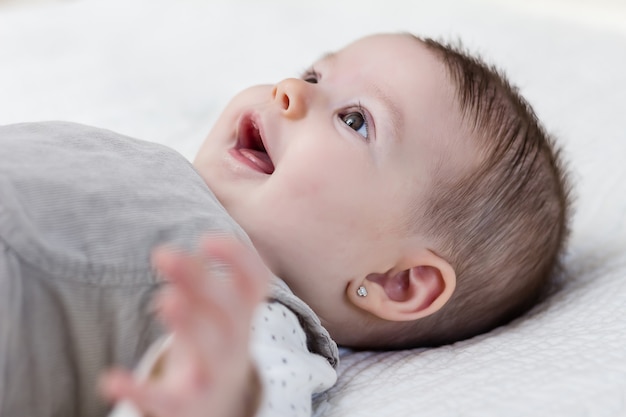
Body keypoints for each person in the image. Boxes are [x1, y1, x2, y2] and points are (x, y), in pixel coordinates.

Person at [0, 33, 570, 417]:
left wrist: (206, 397)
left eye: (355, 120)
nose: (291, 92)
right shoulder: (155, 169)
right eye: (313, 76)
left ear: (398, 282)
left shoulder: (253, 320)